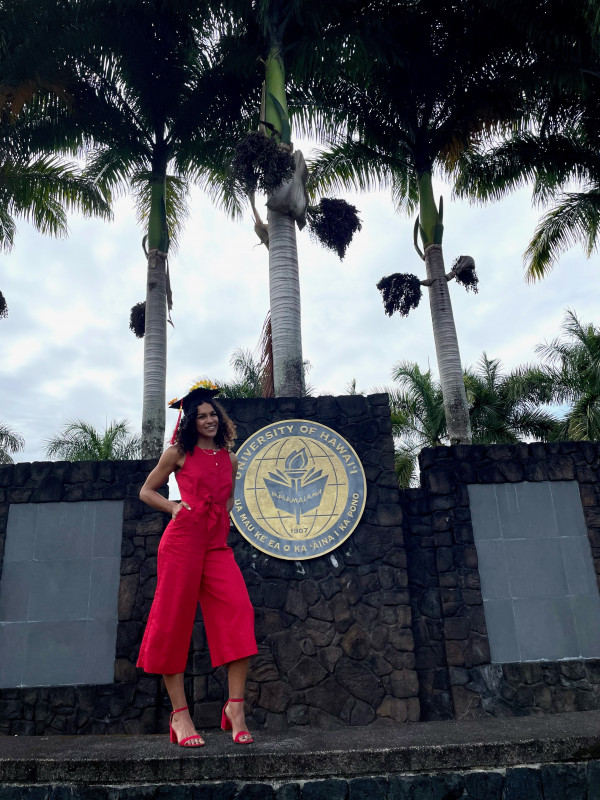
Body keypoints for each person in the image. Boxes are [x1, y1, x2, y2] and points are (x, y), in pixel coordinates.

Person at [137, 382, 257, 746]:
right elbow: (146, 491)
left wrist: (220, 518)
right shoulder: (178, 453)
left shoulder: (230, 459)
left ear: (221, 420)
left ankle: (235, 708)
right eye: (201, 416)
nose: (208, 421)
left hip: (216, 546)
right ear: (191, 422)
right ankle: (180, 715)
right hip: (181, 544)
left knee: (240, 612)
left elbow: (230, 499)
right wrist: (174, 507)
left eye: (213, 415)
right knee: (172, 625)